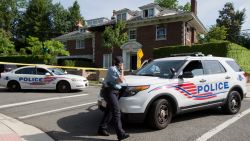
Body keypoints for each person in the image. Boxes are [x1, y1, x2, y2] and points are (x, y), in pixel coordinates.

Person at [98, 56, 130, 140]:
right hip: (109, 91)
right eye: (121, 63)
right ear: (119, 63)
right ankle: (121, 134)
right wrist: (122, 70)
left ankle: (102, 129)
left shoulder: (117, 70)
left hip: (114, 91)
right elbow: (121, 80)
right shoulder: (112, 69)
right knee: (116, 111)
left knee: (109, 111)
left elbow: (121, 81)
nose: (122, 65)